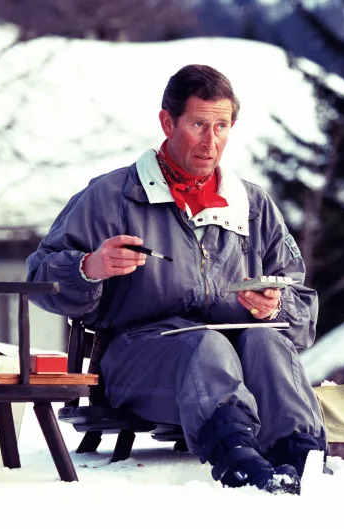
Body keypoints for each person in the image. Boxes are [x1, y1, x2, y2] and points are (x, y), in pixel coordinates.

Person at [26, 64, 326, 494]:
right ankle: (237, 457)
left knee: (265, 340)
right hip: (136, 359)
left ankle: (304, 456)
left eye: (221, 126)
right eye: (199, 124)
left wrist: (277, 306)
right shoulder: (112, 197)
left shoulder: (253, 205)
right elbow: (39, 273)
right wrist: (88, 267)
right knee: (206, 344)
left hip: (236, 361)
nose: (211, 141)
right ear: (168, 122)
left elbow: (303, 307)